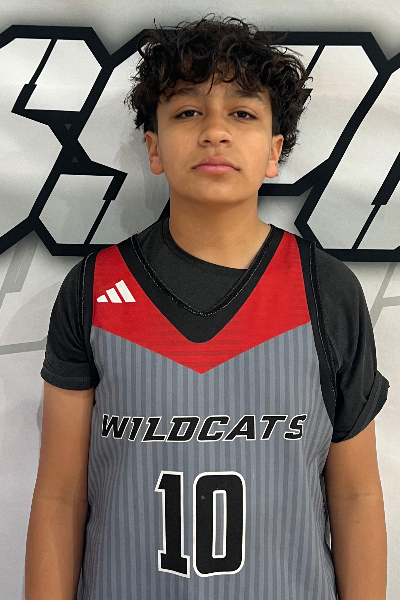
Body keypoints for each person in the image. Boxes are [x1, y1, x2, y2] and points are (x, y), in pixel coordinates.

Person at [25, 14, 389, 600]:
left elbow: (355, 495)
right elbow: (61, 496)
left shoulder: (327, 290)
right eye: (188, 111)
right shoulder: (94, 289)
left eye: (242, 113)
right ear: (154, 147)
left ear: (274, 152)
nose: (215, 131)